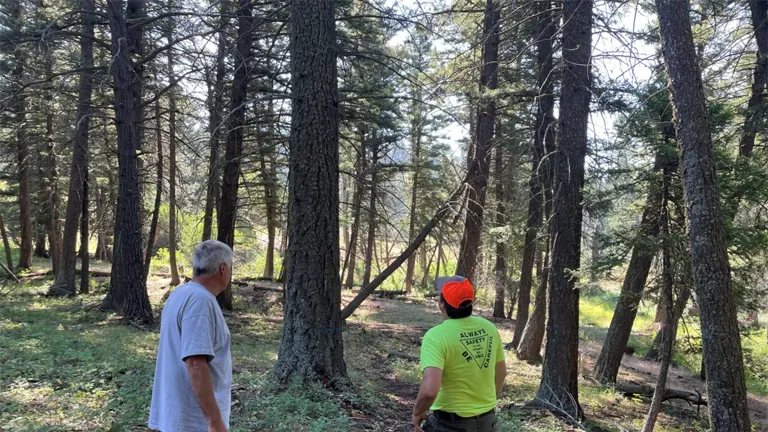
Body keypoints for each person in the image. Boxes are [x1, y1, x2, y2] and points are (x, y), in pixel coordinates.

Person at [149, 240, 233, 432]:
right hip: (194, 421)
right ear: (222, 268)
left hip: (179, 416)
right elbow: (195, 362)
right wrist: (215, 422)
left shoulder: (180, 293)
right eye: (230, 268)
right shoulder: (200, 301)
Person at [412, 275, 507, 432]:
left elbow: (429, 391)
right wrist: (482, 405)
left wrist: (418, 412)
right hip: (488, 422)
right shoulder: (489, 328)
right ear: (471, 302)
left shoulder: (436, 336)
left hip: (449, 425)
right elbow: (501, 374)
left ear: (442, 304)